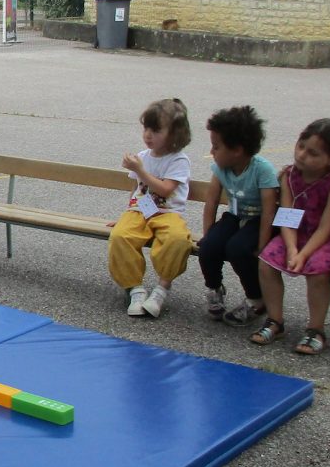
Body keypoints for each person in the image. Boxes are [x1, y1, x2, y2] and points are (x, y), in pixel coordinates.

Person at [252, 118, 330, 354]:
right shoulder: (289, 176)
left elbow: (326, 227)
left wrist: (303, 254)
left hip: (327, 238)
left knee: (317, 270)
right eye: (301, 146)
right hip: (296, 234)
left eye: (313, 153)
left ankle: (316, 329)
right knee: (266, 262)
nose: (302, 155)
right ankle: (275, 321)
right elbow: (287, 215)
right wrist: (292, 249)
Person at [108, 97, 194, 318]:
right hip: (139, 210)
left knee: (177, 240)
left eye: (156, 130)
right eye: (146, 128)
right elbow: (136, 189)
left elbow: (165, 190)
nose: (148, 135)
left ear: (174, 134)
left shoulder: (178, 160)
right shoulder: (142, 156)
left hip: (167, 213)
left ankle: (162, 288)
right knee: (120, 236)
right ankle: (135, 289)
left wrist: (140, 170)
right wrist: (125, 215)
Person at [199, 105, 279, 328]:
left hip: (257, 221)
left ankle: (256, 299)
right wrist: (208, 234)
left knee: (239, 249)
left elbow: (269, 211)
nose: (212, 151)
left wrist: (262, 245)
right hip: (234, 216)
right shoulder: (220, 168)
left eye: (216, 146)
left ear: (237, 150)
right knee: (209, 247)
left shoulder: (262, 170)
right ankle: (215, 288)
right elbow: (211, 201)